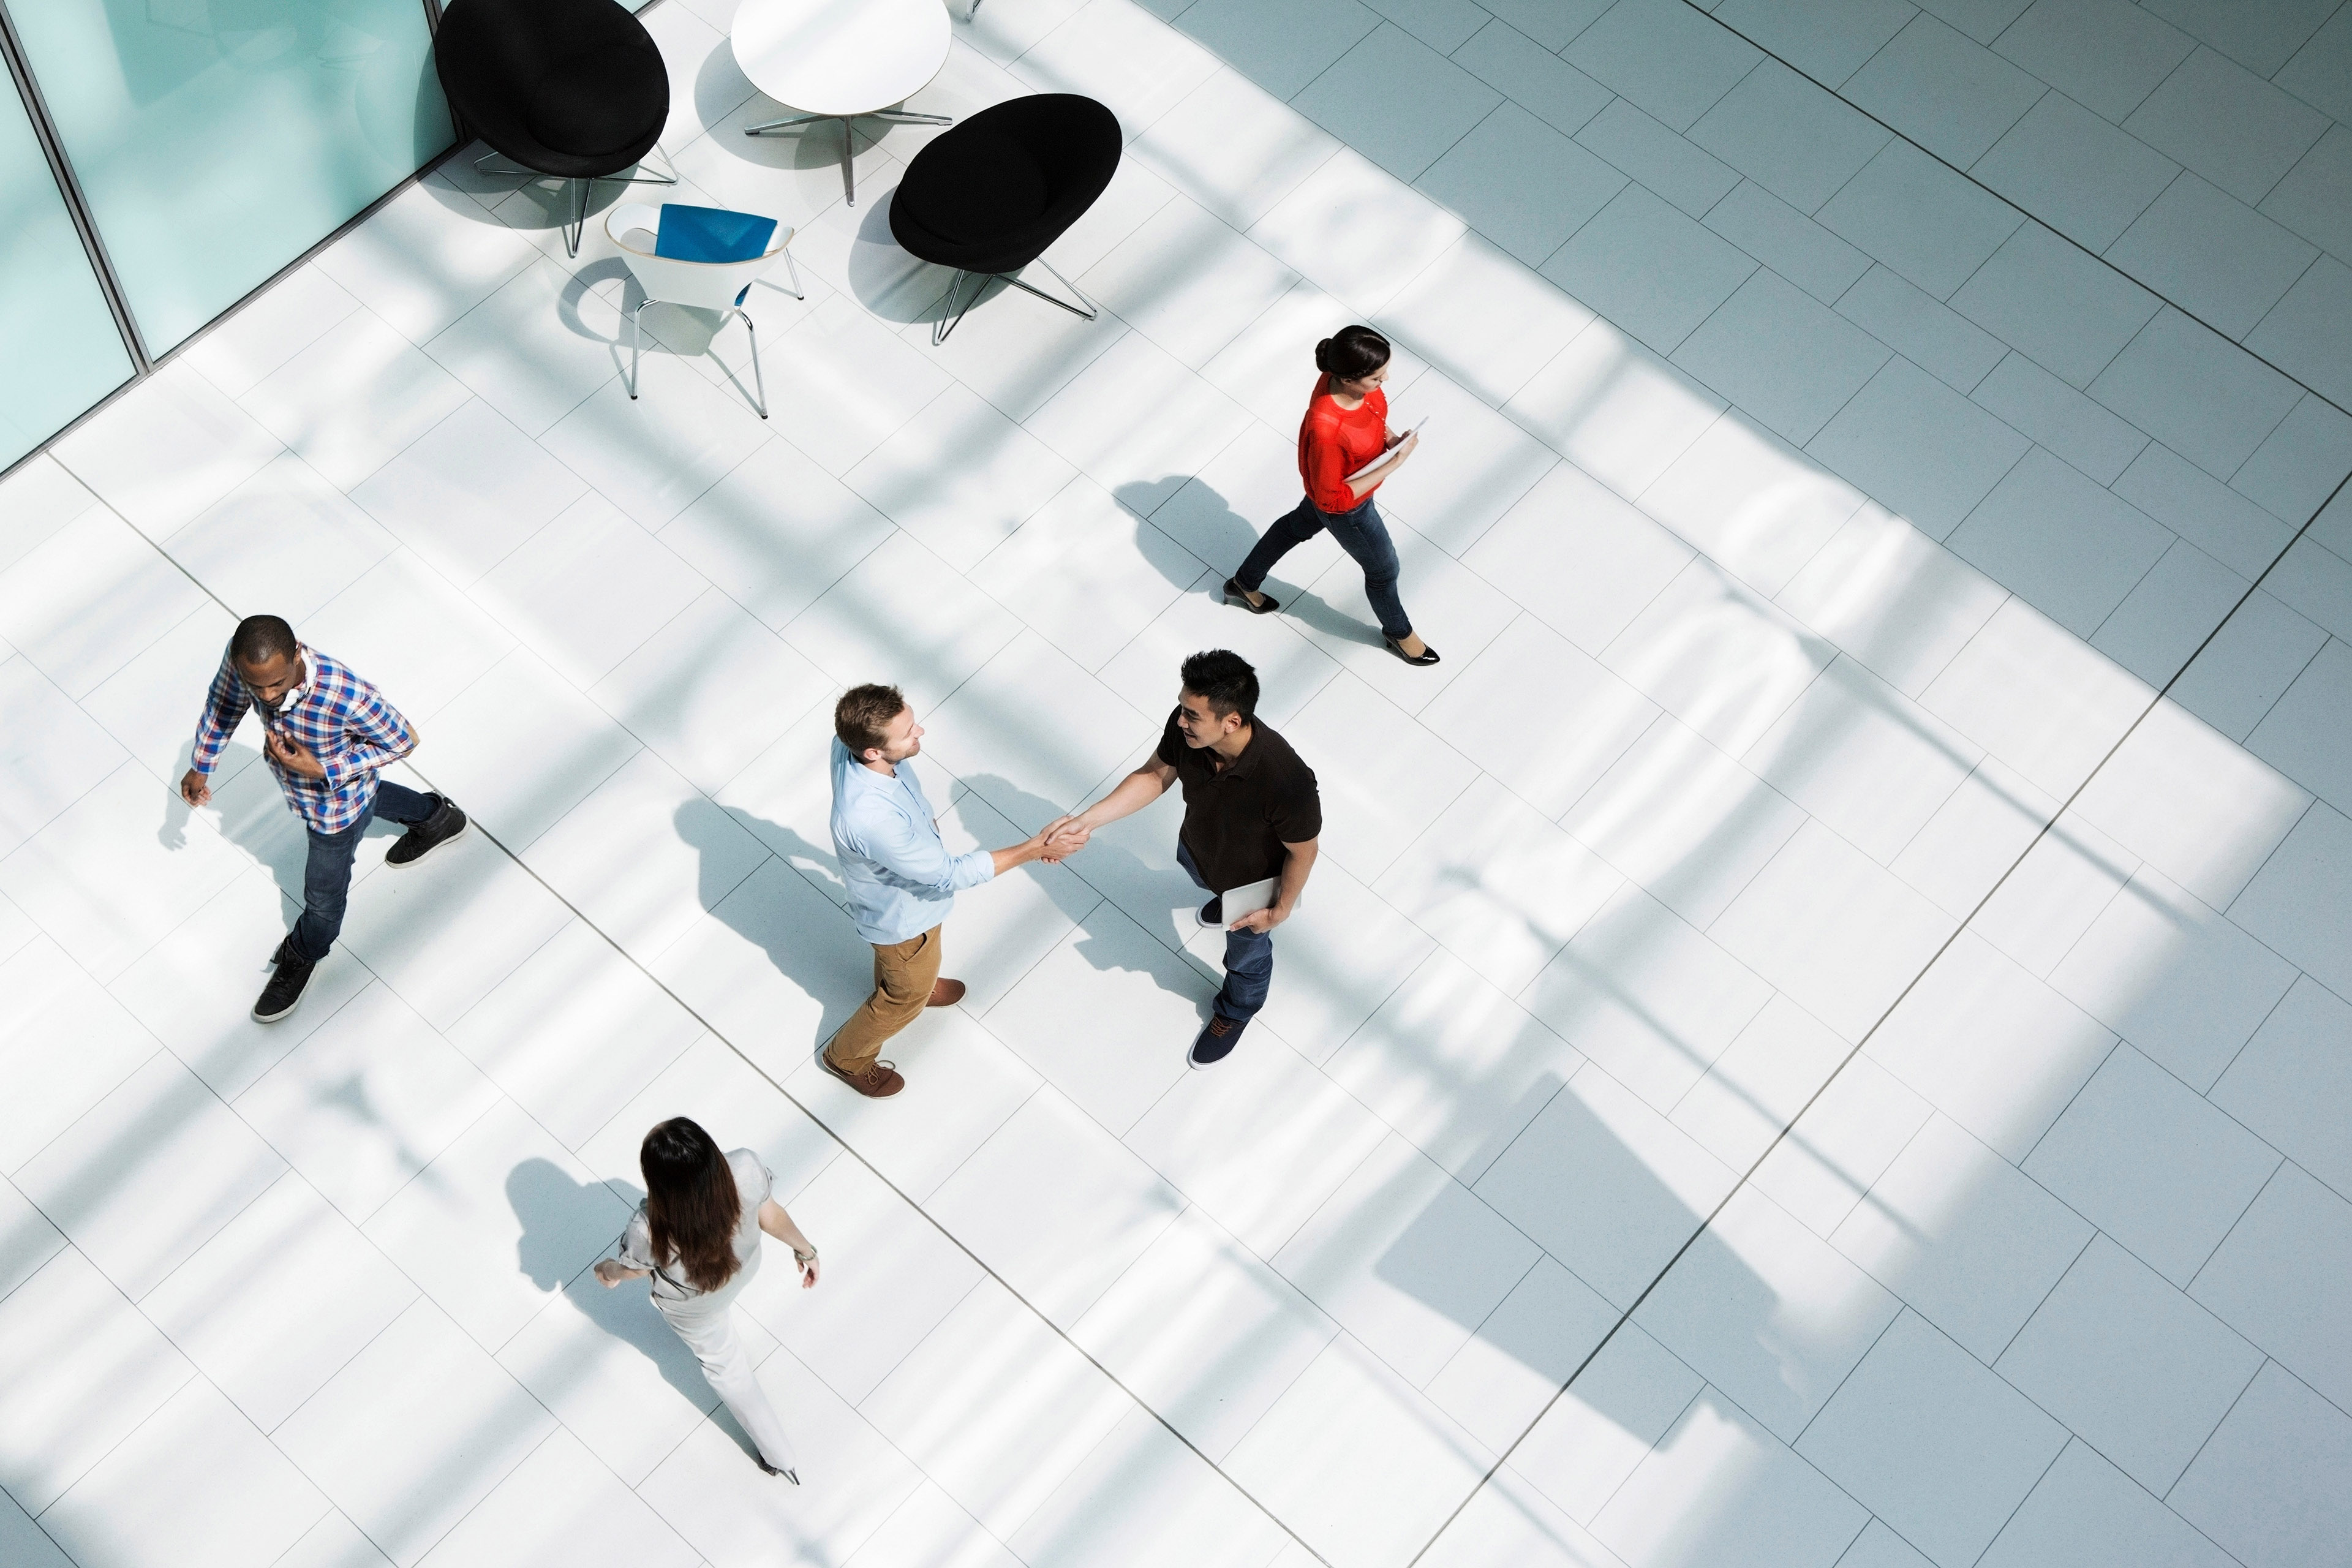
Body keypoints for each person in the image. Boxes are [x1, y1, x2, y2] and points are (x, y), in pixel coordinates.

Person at [179, 614, 467, 1022]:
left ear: (296, 654)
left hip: (336, 810)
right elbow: (224, 703)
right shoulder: (246, 658)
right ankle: (438, 818)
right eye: (256, 686)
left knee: (323, 899)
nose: (266, 695)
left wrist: (326, 770)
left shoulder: (346, 695)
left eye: (276, 684)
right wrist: (203, 764)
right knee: (373, 797)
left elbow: (405, 740)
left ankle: (305, 952)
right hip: (315, 790)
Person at [1054, 650, 1321, 1067]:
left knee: (1246, 958)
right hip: (1199, 851)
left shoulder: (1288, 781)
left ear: (1231, 721)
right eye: (1182, 707)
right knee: (1203, 881)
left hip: (1252, 887)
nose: (1181, 720)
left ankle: (1236, 1011)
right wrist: (1088, 821)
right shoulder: (1191, 731)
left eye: (1193, 715)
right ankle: (1217, 896)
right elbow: (1156, 774)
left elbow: (1304, 852)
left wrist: (1280, 910)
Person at [823, 684, 1077, 1098]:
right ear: (872, 751)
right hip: (904, 919)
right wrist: (1035, 848)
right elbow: (946, 875)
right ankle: (848, 1055)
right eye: (907, 733)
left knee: (911, 966)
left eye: (912, 721)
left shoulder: (852, 746)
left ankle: (906, 982)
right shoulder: (870, 818)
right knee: (905, 991)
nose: (919, 732)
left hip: (905, 902)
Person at [595, 1118, 817, 1482]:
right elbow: (771, 1215)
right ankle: (779, 1457)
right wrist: (806, 1251)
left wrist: (609, 1271)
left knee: (729, 1371)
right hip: (744, 1268)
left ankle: (779, 1455)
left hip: (697, 1307)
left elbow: (635, 1270)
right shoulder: (745, 1167)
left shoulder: (648, 1228)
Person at [1226, 324, 1439, 666]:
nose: (1384, 382)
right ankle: (1400, 634)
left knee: (1296, 526)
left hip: (1334, 484)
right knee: (1383, 571)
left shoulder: (1342, 383)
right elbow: (1333, 500)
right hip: (1349, 509)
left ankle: (1243, 583)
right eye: (1376, 378)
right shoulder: (1327, 431)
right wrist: (1394, 463)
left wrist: (1389, 439)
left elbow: (1373, 416)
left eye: (1384, 373)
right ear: (1348, 379)